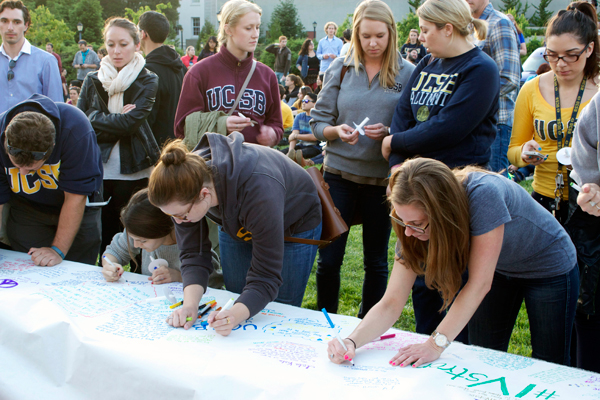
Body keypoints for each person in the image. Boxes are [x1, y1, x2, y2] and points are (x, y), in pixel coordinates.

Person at [327, 158, 578, 367]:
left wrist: (433, 345)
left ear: (442, 212)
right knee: (482, 355)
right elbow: (391, 302)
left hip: (548, 266)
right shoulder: (410, 223)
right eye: (401, 221)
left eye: (416, 224)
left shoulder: (484, 194)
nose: (407, 233)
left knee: (549, 361)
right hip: (500, 267)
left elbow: (479, 283)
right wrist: (352, 342)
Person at [381, 0, 500, 344]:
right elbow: (402, 112)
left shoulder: (481, 69)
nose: (420, 36)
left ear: (448, 28)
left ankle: (452, 350)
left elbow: (450, 127)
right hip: (415, 188)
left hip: (454, 191)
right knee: (421, 276)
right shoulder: (428, 63)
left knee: (455, 275)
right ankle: (423, 343)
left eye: (427, 28)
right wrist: (397, 168)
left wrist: (395, 141)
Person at [148, 133, 322, 335]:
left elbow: (266, 277)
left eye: (180, 215)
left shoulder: (259, 191)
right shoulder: (185, 181)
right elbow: (193, 254)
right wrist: (189, 305)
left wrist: (234, 315)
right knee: (236, 294)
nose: (178, 222)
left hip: (293, 224)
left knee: (278, 310)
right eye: (171, 215)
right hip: (235, 220)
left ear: (204, 194)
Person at [311, 0, 415, 318]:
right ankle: (324, 321)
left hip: (381, 181)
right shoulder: (340, 67)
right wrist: (335, 131)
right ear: (355, 34)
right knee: (329, 259)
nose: (372, 44)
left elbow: (413, 127)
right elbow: (317, 124)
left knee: (376, 261)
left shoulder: (408, 72)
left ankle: (366, 326)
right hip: (339, 174)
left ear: (391, 34)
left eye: (379, 36)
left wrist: (389, 132)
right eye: (365, 36)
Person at [508, 1, 599, 225]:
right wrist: (524, 153)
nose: (560, 64)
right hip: (544, 199)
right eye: (552, 55)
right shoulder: (531, 88)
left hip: (590, 201)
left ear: (589, 49)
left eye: (571, 55)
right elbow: (512, 151)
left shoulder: (598, 93)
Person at [78, 17, 160, 256]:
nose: (116, 51)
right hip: (100, 169)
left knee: (139, 237)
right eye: (111, 44)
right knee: (105, 237)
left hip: (136, 167)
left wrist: (98, 116)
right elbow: (83, 121)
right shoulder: (93, 79)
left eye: (123, 44)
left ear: (136, 44)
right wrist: (110, 118)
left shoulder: (148, 78)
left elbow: (130, 124)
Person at [0, 94, 103, 266]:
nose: (23, 174)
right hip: (28, 208)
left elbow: (76, 197)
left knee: (76, 266)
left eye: (32, 168)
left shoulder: (75, 130)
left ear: (52, 148)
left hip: (77, 205)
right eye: (17, 167)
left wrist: (57, 250)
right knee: (28, 267)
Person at [174, 0, 282, 148]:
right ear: (228, 29)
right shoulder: (199, 72)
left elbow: (276, 123)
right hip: (212, 163)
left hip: (256, 165)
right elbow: (182, 126)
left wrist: (273, 134)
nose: (255, 34)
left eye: (257, 27)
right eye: (248, 28)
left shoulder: (267, 75)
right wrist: (221, 123)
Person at [468, 0, 521, 175]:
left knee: (494, 187)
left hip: (496, 123)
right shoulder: (466, 26)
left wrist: (470, 101)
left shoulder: (499, 22)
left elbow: (509, 78)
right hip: (472, 123)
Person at [569, 91, 600, 373]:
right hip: (595, 232)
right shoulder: (598, 105)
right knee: (589, 316)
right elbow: (584, 161)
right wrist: (590, 189)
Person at [102, 188, 182, 284]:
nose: (136, 245)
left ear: (163, 230)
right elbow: (113, 252)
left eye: (143, 241)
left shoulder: (192, 240)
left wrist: (179, 277)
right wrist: (110, 266)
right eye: (133, 239)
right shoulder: (137, 230)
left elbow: (204, 279)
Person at [0, 0, 63, 113]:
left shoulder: (46, 61)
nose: (10, 27)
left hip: (33, 130)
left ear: (26, 25)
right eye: (4, 21)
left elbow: (56, 110)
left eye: (16, 22)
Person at [138, 10, 187, 146]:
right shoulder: (181, 66)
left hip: (157, 150)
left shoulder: (146, 71)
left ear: (143, 34)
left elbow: (145, 120)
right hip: (180, 145)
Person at [287, 92, 320, 165]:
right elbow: (292, 136)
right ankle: (289, 156)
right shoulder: (299, 116)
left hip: (314, 147)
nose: (303, 103)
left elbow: (314, 137)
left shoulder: (318, 118)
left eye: (306, 101)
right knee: (281, 153)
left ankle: (292, 159)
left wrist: (295, 136)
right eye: (302, 101)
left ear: (315, 103)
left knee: (298, 154)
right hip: (301, 144)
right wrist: (290, 151)